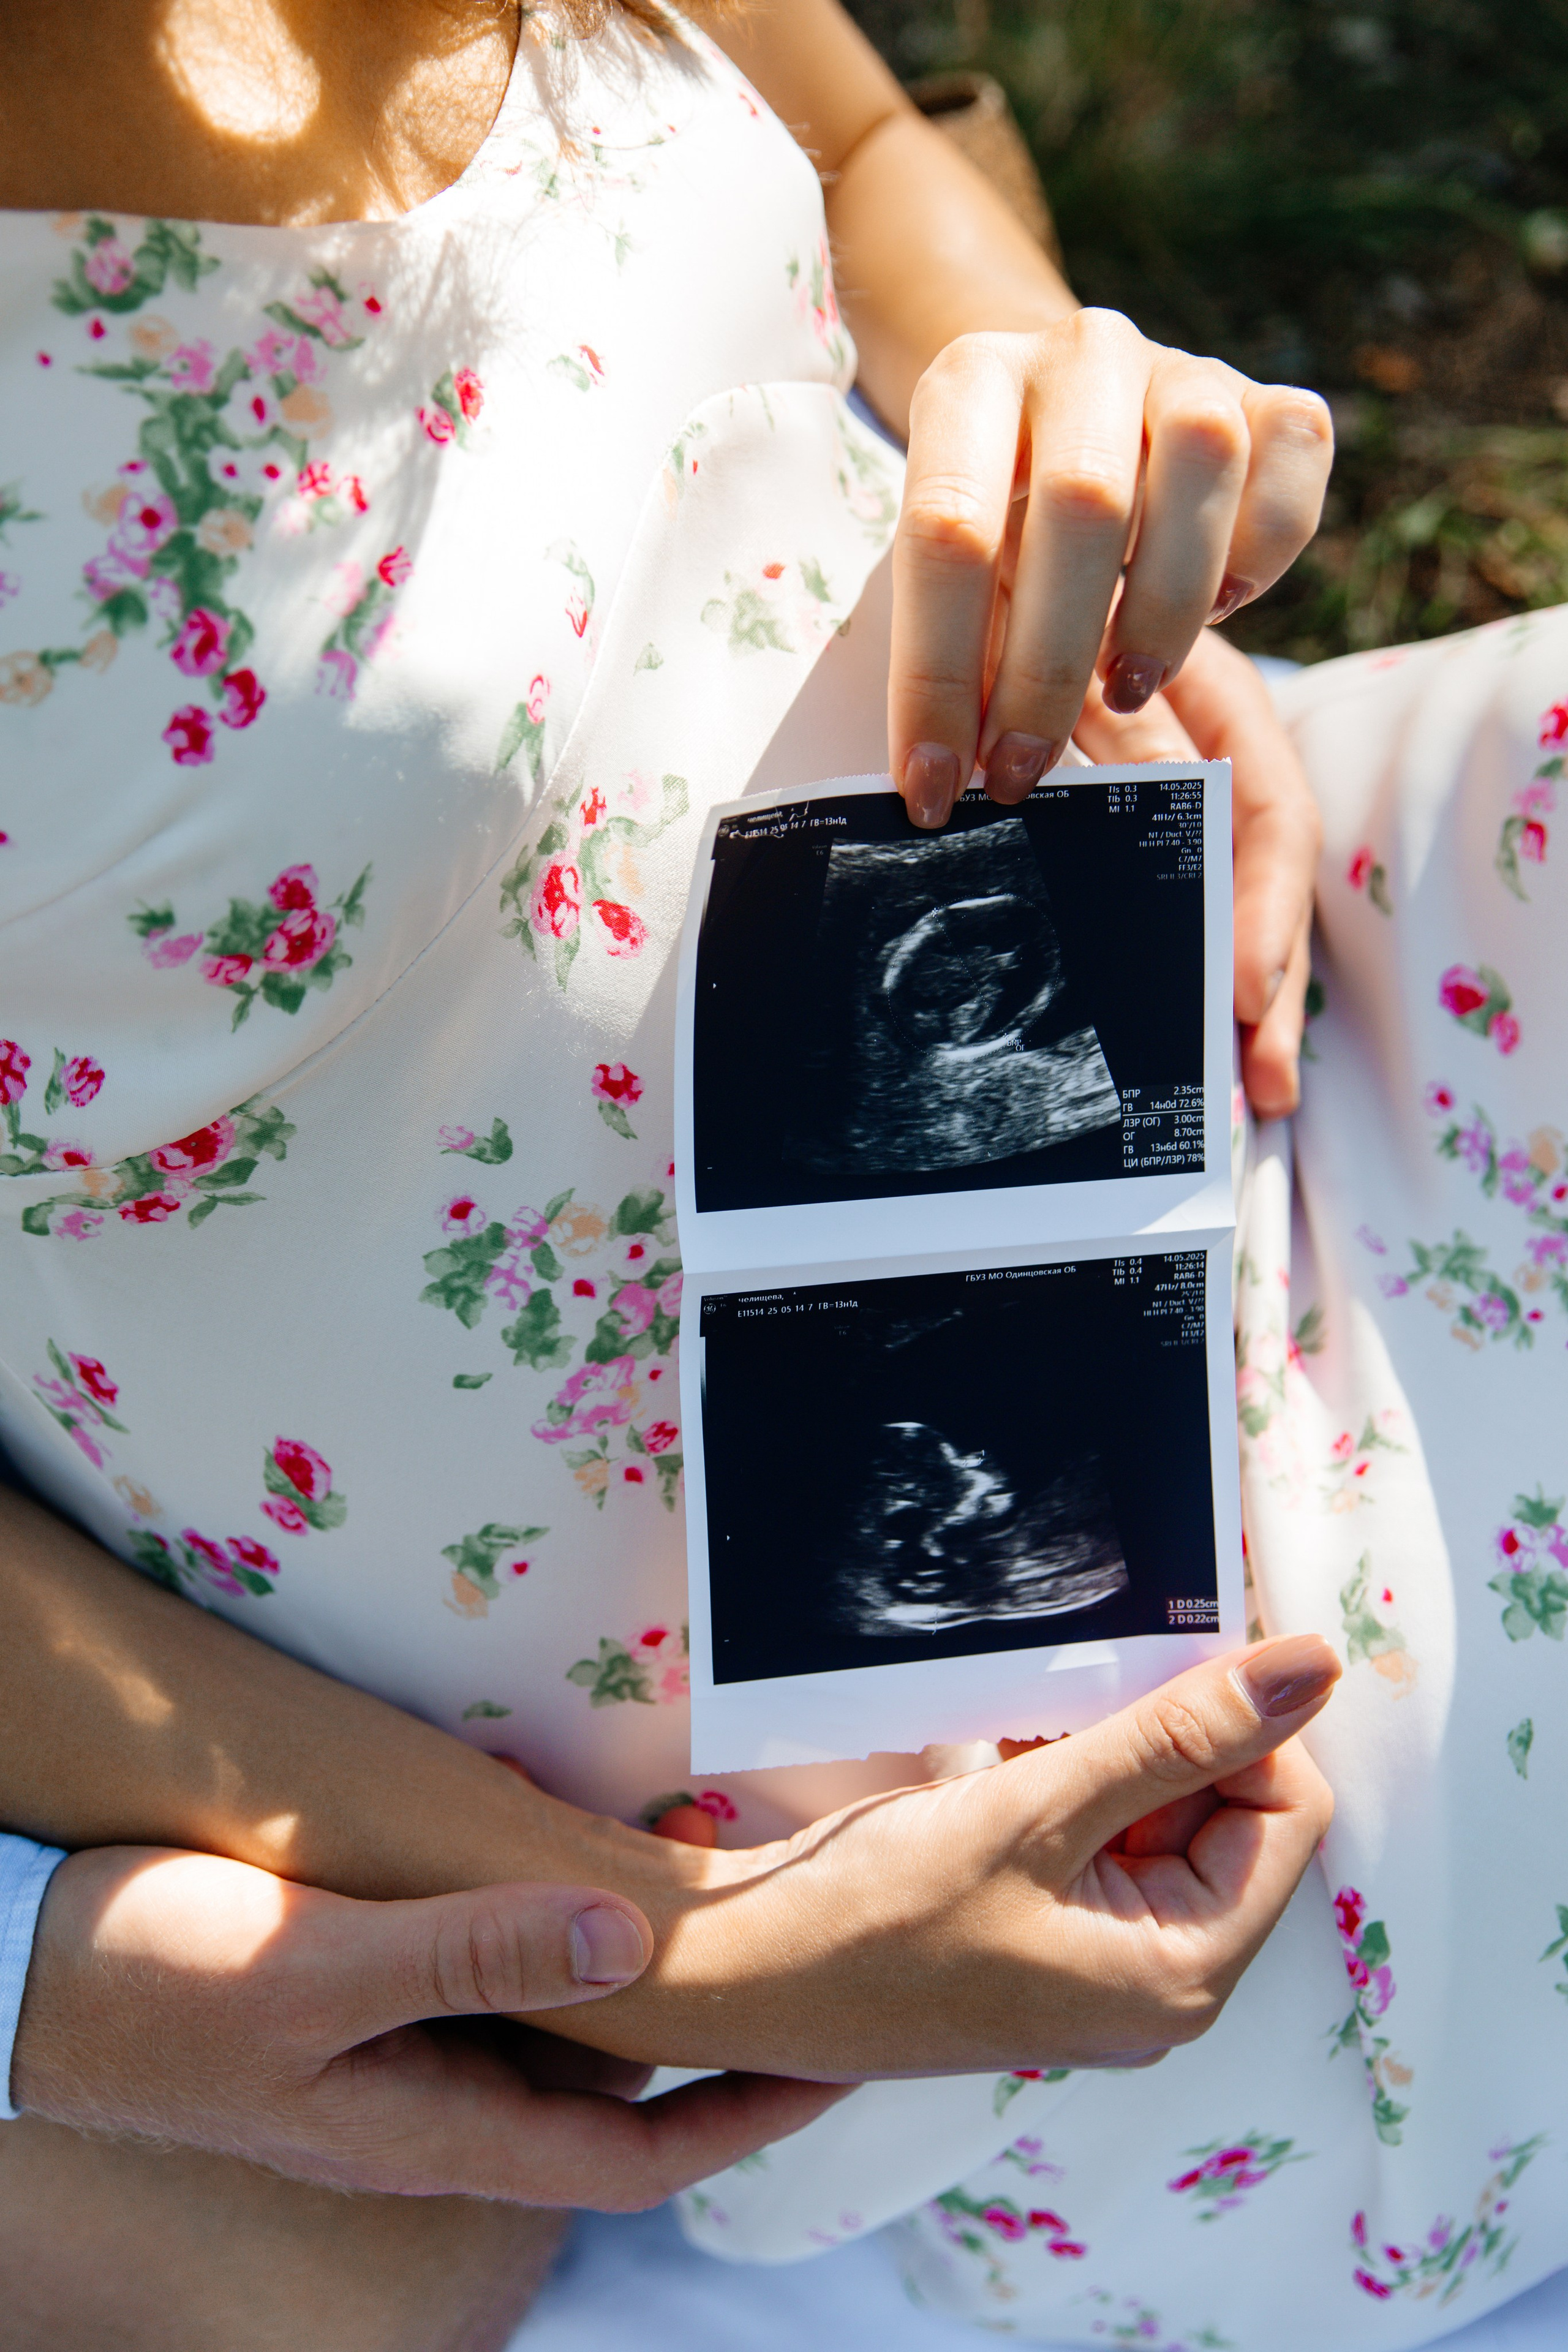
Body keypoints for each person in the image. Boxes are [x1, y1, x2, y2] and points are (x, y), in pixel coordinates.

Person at [0, 0, 1350, 2344]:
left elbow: (839, 129)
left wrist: (1057, 427)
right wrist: (648, 1955)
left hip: (1261, 1105)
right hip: (793, 1885)